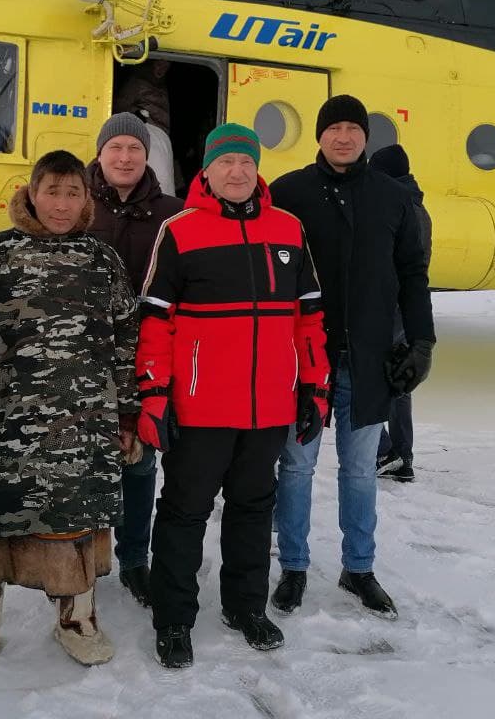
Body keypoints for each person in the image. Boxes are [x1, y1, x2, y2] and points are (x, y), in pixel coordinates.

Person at [137, 123, 329, 669]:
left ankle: (245, 607)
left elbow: (309, 318)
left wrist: (314, 386)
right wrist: (155, 394)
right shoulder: (180, 231)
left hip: (268, 407)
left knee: (252, 510)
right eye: (226, 162)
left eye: (246, 162)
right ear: (208, 170)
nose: (237, 172)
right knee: (184, 513)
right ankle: (174, 618)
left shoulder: (288, 229)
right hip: (200, 408)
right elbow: (155, 322)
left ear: (257, 169)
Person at [0, 150, 138, 674]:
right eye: (52, 191)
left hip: (85, 423)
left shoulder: (102, 259)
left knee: (80, 517)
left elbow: (125, 341)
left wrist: (126, 414)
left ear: (86, 198)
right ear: (31, 193)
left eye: (73, 193)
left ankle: (79, 620)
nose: (62, 204)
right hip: (5, 424)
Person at [269, 96, 435, 620]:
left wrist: (422, 342)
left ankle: (358, 568)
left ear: (366, 136)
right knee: (297, 466)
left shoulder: (392, 197)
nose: (343, 137)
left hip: (368, 360)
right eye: (333, 128)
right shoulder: (288, 193)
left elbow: (412, 273)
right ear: (319, 135)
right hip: (306, 360)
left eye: (352, 128)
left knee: (361, 470)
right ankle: (293, 567)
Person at [85, 113, 184, 607]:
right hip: (80, 358)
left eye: (135, 149)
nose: (124, 158)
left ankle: (134, 559)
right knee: (80, 461)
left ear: (148, 156)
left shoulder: (172, 214)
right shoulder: (74, 207)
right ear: (100, 153)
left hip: (143, 357)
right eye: (116, 148)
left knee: (139, 463)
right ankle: (80, 559)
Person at [369, 144, 433, 484]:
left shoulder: (397, 208)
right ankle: (401, 457)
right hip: (405, 306)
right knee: (399, 379)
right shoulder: (418, 207)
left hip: (388, 306)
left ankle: (385, 450)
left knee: (362, 377)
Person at [113, 58, 175, 193]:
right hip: (148, 136)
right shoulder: (137, 83)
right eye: (159, 64)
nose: (162, 69)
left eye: (166, 65)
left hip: (161, 138)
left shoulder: (161, 84)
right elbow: (119, 109)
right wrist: (137, 117)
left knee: (162, 180)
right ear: (150, 64)